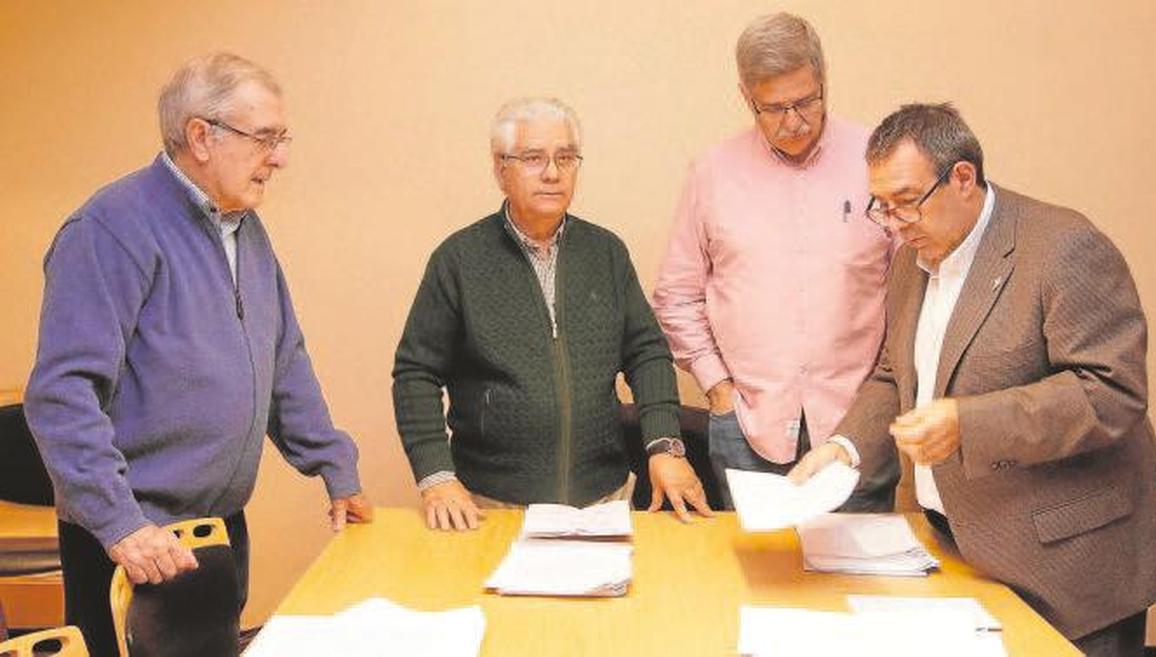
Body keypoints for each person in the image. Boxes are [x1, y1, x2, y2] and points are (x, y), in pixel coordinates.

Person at [791, 103, 1156, 655]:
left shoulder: (1062, 246)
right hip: (966, 545)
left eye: (908, 202)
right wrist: (845, 447)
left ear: (963, 178)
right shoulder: (913, 258)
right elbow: (894, 372)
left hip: (1073, 562)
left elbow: (1111, 391)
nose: (896, 223)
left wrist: (968, 424)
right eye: (883, 206)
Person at [24, 52, 372, 656]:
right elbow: (61, 397)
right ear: (200, 137)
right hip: (134, 542)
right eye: (265, 138)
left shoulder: (244, 228)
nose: (281, 157)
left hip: (215, 533)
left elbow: (282, 358)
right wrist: (122, 525)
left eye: (282, 138)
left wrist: (333, 466)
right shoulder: (110, 228)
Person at [392, 97, 713, 531]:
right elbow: (415, 373)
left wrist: (664, 447)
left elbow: (648, 354)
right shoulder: (459, 260)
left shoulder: (606, 253)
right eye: (533, 158)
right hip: (490, 506)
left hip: (603, 499)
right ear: (499, 168)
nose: (552, 173)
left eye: (565, 158)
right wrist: (437, 476)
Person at [652, 12, 894, 509]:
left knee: (858, 578)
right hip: (747, 428)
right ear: (746, 97)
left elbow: (913, 289)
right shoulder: (712, 173)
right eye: (774, 108)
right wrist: (717, 386)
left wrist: (885, 396)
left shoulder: (879, 162)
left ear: (824, 81)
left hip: (857, 428)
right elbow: (677, 295)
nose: (794, 121)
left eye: (805, 101)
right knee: (756, 582)